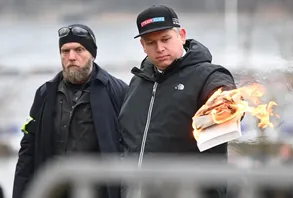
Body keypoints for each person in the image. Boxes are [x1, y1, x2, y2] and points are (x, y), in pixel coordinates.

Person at [118, 5, 240, 198]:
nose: (160, 48)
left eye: (165, 39)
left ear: (181, 35)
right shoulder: (138, 82)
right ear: (143, 45)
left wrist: (225, 100)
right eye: (151, 42)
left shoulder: (209, 75)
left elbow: (225, 95)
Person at [13, 24, 128, 198]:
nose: (71, 57)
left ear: (93, 54)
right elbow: (27, 150)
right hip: (52, 190)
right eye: (65, 51)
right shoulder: (45, 93)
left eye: (79, 50)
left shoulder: (117, 91)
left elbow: (131, 148)